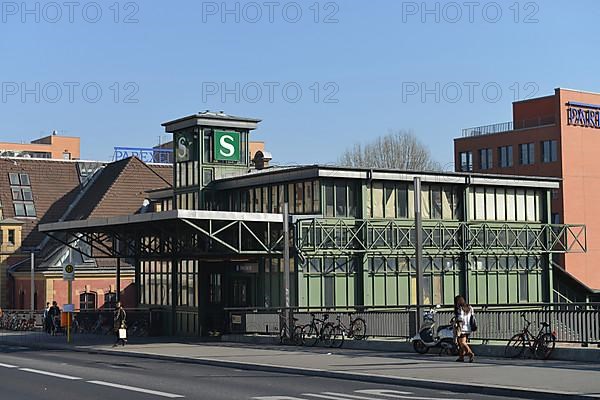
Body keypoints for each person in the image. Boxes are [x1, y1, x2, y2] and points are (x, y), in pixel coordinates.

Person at [454, 295, 475, 363]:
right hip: (468, 327)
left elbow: (460, 318)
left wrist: (455, 321)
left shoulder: (459, 309)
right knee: (461, 343)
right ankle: (461, 357)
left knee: (462, 342)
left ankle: (470, 353)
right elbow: (472, 316)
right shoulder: (470, 307)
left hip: (461, 327)